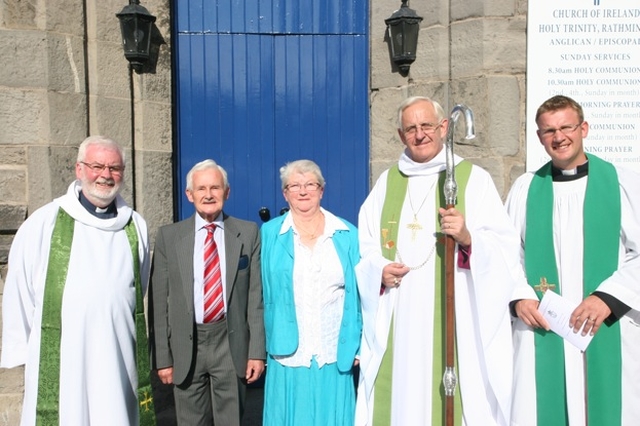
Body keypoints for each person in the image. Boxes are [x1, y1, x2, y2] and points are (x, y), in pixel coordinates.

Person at [355, 96, 521, 425]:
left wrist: (468, 237)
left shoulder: (473, 179)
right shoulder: (387, 183)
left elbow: (504, 248)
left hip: (456, 314)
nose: (420, 134)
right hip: (398, 312)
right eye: (411, 128)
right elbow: (368, 246)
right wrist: (380, 270)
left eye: (427, 125)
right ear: (401, 136)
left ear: (444, 127)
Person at [505, 95, 640, 425]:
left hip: (606, 325)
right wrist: (519, 296)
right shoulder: (525, 189)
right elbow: (506, 255)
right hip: (543, 327)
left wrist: (606, 298)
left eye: (566, 127)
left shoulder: (621, 183)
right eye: (549, 130)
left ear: (584, 128)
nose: (558, 137)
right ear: (539, 137)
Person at [1, 136, 154, 425]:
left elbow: (138, 286)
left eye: (114, 168)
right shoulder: (43, 222)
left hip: (116, 353)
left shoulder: (135, 225)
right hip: (62, 357)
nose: (106, 175)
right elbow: (19, 289)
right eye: (97, 166)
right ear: (79, 169)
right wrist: (22, 351)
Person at [147, 159, 265, 426]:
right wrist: (163, 358)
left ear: (227, 192)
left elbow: (255, 298)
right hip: (187, 343)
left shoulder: (247, 233)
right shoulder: (169, 236)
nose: (208, 195)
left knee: (231, 419)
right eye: (201, 189)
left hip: (230, 341)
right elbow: (159, 302)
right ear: (190, 195)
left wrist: (256, 352)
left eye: (215, 187)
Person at [260, 159, 362, 426]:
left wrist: (362, 342)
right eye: (294, 185)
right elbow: (259, 294)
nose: (303, 191)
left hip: (333, 350)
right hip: (288, 352)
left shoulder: (347, 234)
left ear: (322, 190)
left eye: (310, 185)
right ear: (285, 193)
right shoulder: (269, 233)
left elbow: (361, 295)